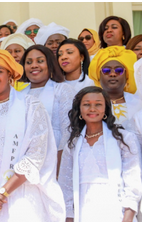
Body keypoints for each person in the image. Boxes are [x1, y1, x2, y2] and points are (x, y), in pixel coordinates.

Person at [0, 49, 65, 222]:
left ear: (10, 75)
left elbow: (35, 155)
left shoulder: (31, 107)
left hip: (20, 197)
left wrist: (1, 194)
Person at [59, 86, 141, 222]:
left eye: (98, 104)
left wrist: (127, 219)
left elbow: (132, 180)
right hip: (83, 214)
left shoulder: (124, 139)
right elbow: (65, 186)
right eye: (86, 105)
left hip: (117, 215)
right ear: (79, 110)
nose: (92, 109)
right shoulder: (72, 145)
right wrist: (69, 219)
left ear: (106, 109)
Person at [19, 45, 76, 177]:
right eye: (29, 62)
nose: (34, 65)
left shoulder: (63, 90)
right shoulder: (18, 95)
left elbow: (68, 132)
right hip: (24, 162)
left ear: (50, 65)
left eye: (40, 61)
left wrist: (59, 166)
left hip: (55, 159)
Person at [88, 46, 140, 129]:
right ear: (99, 77)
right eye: (106, 71)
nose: (112, 74)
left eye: (119, 70)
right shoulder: (88, 104)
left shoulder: (139, 104)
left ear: (126, 76)